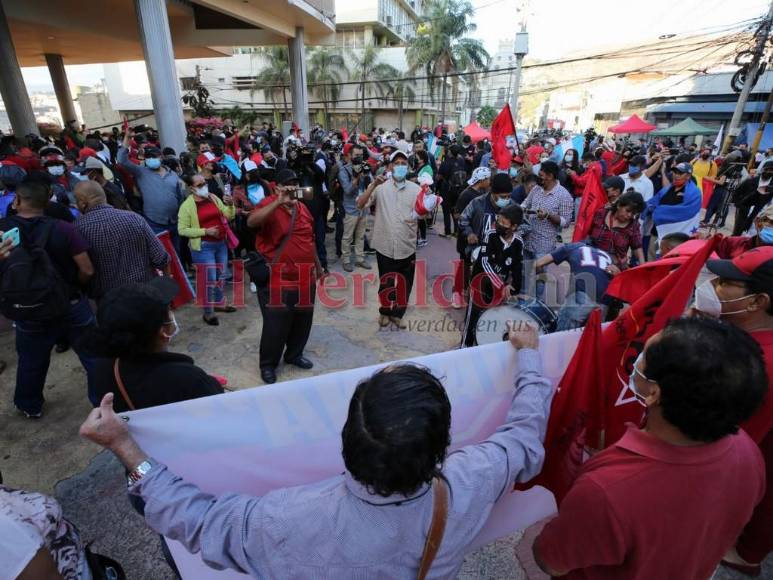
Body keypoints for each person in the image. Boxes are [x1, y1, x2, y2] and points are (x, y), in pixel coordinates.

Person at [79, 323, 554, 579]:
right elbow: (523, 438)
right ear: (444, 448)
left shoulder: (287, 519)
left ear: (345, 442)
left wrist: (124, 446)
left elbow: (199, 521)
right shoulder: (473, 479)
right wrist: (529, 356)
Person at [533, 317, 767, 580]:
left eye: (643, 354)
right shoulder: (747, 452)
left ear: (654, 394)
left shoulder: (604, 491)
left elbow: (550, 560)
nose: (636, 358)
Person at [691, 247, 773, 575]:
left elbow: (716, 449)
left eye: (726, 282)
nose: (713, 286)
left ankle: (745, 554)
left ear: (757, 302)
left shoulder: (755, 368)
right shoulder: (747, 343)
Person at [0, 181, 98, 418]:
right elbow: (87, 270)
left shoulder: (3, 230)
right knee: (93, 354)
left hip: (26, 309)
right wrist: (75, 288)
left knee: (31, 360)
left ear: (17, 202)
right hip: (70, 303)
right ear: (47, 203)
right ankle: (104, 399)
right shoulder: (64, 229)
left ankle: (28, 405)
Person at [83, 277, 224, 411]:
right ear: (163, 331)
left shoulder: (101, 368)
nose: (171, 313)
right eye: (168, 309)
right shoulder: (189, 380)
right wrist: (211, 384)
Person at [247, 168, 323, 384]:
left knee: (302, 320)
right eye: (286, 185)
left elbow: (310, 239)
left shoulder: (303, 208)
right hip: (278, 279)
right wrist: (278, 202)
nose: (292, 189)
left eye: (295, 185)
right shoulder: (268, 205)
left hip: (305, 276)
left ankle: (294, 355)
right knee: (275, 325)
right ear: (277, 187)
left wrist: (318, 267)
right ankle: (268, 364)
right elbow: (252, 222)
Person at [74, 181, 170, 301]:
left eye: (76, 200)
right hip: (144, 295)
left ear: (83, 203)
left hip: (109, 302)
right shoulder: (134, 218)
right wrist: (166, 293)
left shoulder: (77, 229)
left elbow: (85, 271)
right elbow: (161, 258)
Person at [357, 150, 420, 329]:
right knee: (386, 282)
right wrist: (372, 185)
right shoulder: (380, 188)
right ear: (390, 166)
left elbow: (424, 213)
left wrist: (429, 200)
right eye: (397, 163)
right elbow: (360, 204)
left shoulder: (416, 190)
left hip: (407, 245)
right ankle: (385, 312)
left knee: (405, 284)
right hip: (384, 245)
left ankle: (398, 314)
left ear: (407, 167)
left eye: (403, 163)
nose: (400, 166)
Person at [178, 173, 237, 326]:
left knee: (221, 275)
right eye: (199, 185)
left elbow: (228, 215)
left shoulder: (213, 197)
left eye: (204, 183)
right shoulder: (187, 206)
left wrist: (231, 205)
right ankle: (208, 312)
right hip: (203, 247)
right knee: (208, 279)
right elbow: (182, 230)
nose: (204, 186)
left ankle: (218, 302)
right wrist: (205, 231)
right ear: (191, 188)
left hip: (220, 244)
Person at [462, 203, 524, 346]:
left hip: (498, 291)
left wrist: (514, 288)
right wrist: (501, 285)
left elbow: (517, 266)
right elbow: (485, 263)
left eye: (503, 223)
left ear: (513, 227)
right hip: (480, 285)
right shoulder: (491, 235)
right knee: (472, 319)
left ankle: (480, 347)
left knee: (489, 320)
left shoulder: (518, 243)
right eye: (499, 220)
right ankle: (464, 346)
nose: (499, 224)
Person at [118, 129, 186, 253]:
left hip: (174, 221)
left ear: (161, 157)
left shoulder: (173, 175)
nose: (150, 159)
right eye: (148, 157)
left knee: (176, 253)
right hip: (154, 222)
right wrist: (127, 139)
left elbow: (180, 196)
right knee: (160, 253)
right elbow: (122, 161)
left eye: (153, 157)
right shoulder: (141, 172)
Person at [521, 161, 574, 296]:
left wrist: (549, 215)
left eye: (541, 175)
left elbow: (565, 222)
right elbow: (525, 203)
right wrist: (522, 210)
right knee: (524, 273)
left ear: (550, 176)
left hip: (544, 244)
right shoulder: (536, 189)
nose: (538, 177)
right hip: (527, 240)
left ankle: (538, 303)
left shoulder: (564, 196)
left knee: (540, 276)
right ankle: (522, 299)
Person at [535, 242, 616, 330]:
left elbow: (538, 263)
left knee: (563, 335)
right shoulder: (606, 255)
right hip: (606, 299)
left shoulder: (572, 247)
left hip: (583, 294)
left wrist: (540, 274)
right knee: (592, 338)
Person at [645, 161, 702, 260]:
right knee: (651, 257)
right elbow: (655, 201)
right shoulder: (668, 188)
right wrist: (648, 207)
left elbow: (686, 212)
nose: (676, 175)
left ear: (688, 176)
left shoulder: (694, 193)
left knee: (666, 261)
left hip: (674, 236)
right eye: (675, 172)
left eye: (680, 173)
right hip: (657, 230)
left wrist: (660, 211)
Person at [587, 191, 645, 270]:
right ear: (619, 205)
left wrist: (642, 268)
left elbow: (637, 248)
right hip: (592, 262)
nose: (629, 215)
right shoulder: (601, 214)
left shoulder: (633, 226)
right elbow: (588, 234)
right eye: (627, 211)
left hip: (614, 268)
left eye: (633, 213)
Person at [338, 144, 372, 272]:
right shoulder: (344, 170)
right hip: (351, 208)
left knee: (361, 235)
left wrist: (367, 175)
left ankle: (360, 259)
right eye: (356, 155)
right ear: (350, 156)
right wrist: (356, 177)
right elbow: (347, 190)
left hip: (363, 207)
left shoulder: (364, 167)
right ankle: (346, 260)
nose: (359, 158)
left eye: (361, 155)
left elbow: (370, 184)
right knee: (347, 237)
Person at [732, 160, 773, 235]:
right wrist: (739, 204)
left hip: (760, 214)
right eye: (768, 169)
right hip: (744, 210)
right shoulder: (751, 181)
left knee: (753, 236)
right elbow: (736, 193)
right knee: (737, 233)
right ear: (763, 169)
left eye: (772, 170)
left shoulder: (771, 185)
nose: (769, 172)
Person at [437, 144, 468, 237]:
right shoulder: (461, 161)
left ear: (450, 152)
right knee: (455, 209)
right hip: (458, 189)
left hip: (447, 189)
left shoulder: (445, 163)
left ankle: (447, 232)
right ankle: (456, 231)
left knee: (446, 211)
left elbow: (439, 177)